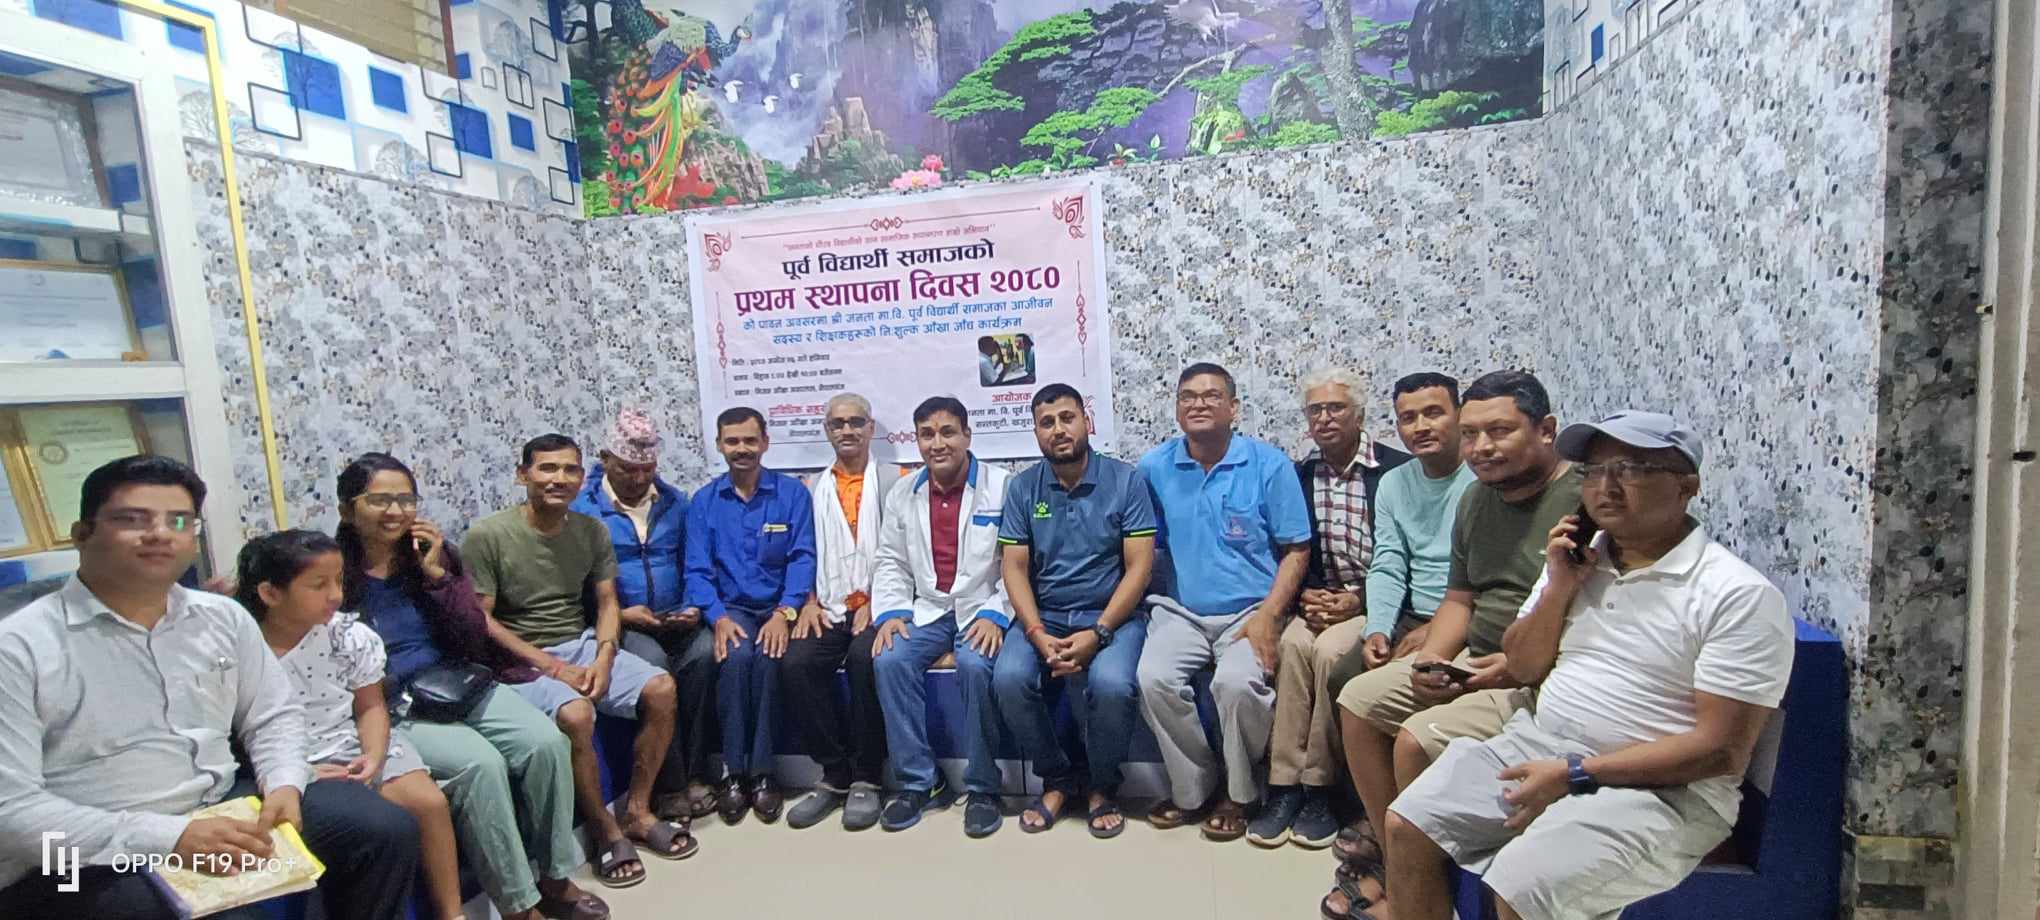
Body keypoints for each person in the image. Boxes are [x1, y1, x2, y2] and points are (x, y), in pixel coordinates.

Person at [1383, 411, 1792, 920]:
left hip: (1663, 792)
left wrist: (1575, 773)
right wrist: (1558, 587)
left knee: (1522, 884)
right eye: (1594, 471)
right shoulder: (1578, 559)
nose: (1606, 487)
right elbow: (1524, 667)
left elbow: (1721, 751)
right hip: (1538, 743)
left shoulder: (1737, 595)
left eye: (1632, 469)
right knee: (1407, 825)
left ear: (1687, 486)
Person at [0, 456, 414, 920]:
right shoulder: (18, 647)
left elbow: (272, 714)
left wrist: (284, 781)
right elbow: (10, 810)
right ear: (82, 535)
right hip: (70, 845)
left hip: (217, 804)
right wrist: (170, 837)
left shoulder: (222, 618)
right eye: (133, 519)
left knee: (383, 828)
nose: (160, 534)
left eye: (179, 521)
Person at [1325, 370, 1583, 919]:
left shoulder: (1584, 502)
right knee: (1358, 699)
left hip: (1542, 670)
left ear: (1546, 430)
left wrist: (1511, 666)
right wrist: (1432, 657)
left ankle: (1420, 884)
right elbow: (1460, 598)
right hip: (1473, 654)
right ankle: (1397, 865)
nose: (1482, 447)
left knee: (1414, 739)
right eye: (1472, 434)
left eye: (1499, 431)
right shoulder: (1477, 498)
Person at [336, 453, 606, 920]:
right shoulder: (334, 572)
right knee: (481, 766)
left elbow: (471, 631)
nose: (395, 511)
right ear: (347, 509)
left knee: (545, 743)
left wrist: (437, 576)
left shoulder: (429, 555)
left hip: (456, 680)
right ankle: (519, 905)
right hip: (394, 701)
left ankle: (555, 877)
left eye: (405, 499)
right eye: (379, 500)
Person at [465, 435, 694, 889]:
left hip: (582, 644)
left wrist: (605, 656)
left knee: (661, 688)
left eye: (570, 469)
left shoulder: (591, 530)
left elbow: (607, 602)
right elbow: (482, 622)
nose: (560, 479)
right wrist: (553, 669)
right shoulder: (487, 535)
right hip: (519, 660)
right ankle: (605, 831)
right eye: (547, 468)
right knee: (576, 713)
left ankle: (637, 812)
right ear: (523, 475)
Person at [235, 531, 465, 920]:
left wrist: (372, 756)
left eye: (339, 581)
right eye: (318, 585)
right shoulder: (243, 647)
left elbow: (371, 706)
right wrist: (300, 772)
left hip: (352, 740)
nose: (336, 595)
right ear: (270, 593)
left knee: (428, 802)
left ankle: (452, 912)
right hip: (291, 758)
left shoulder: (348, 636)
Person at [1136, 363, 1312, 842]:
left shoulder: (1269, 465)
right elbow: (1144, 546)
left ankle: (1240, 792)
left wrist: (1270, 615)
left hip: (1250, 611)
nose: (1198, 404)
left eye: (1212, 395)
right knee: (1153, 678)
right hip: (1180, 610)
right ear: (1177, 408)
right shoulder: (1153, 468)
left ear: (1233, 408)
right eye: (1188, 396)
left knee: (1236, 684)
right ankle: (1193, 788)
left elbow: (1297, 549)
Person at [1321, 372, 1476, 862]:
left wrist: (1437, 630)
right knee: (1345, 676)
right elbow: (1388, 561)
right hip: (1411, 612)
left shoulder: (1482, 478)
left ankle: (1418, 828)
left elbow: (1485, 582)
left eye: (1433, 413)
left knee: (1421, 691)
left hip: (1464, 618)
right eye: (1408, 418)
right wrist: (1379, 628)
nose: (1420, 426)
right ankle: (1375, 812)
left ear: (1459, 416)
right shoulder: (1394, 483)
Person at [1255, 369, 1411, 849]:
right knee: (1292, 646)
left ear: (1359, 414)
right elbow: (1293, 549)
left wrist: (1358, 600)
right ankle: (1284, 786)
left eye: (1336, 408)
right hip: (1319, 600)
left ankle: (1320, 789)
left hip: (1374, 601)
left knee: (1327, 654)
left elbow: (1404, 557)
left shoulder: (1395, 471)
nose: (1324, 418)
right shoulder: (1300, 474)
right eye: (1315, 410)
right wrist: (1307, 595)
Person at [993, 384, 1157, 838]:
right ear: (1036, 432)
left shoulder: (1125, 481)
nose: (1058, 430)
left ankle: (1102, 786)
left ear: (1087, 422)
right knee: (1009, 678)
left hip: (1113, 615)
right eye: (1046, 423)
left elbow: (1140, 568)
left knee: (1112, 685)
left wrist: (1098, 633)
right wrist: (1035, 631)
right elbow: (1014, 568)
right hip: (1045, 615)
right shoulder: (1023, 488)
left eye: (1067, 418)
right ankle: (1059, 780)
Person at [870, 396, 1014, 836]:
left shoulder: (1002, 486)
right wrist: (892, 612)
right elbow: (891, 559)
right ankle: (921, 782)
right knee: (890, 658)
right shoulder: (904, 492)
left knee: (974, 664)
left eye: (948, 432)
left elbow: (1020, 563)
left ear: (967, 435)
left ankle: (984, 788)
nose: (937, 443)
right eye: (927, 434)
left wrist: (997, 613)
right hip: (930, 609)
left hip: (983, 606)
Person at [571, 408, 718, 822]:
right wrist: (622, 614)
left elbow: (694, 562)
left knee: (705, 655)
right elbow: (580, 585)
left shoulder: (675, 502)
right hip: (622, 620)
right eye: (627, 469)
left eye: (647, 469)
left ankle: (697, 774)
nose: (638, 478)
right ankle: (669, 786)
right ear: (605, 459)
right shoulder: (582, 511)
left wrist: (693, 604)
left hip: (677, 616)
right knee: (653, 667)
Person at [682, 407, 817, 824]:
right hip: (732, 610)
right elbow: (697, 571)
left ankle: (763, 773)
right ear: (719, 445)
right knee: (736, 659)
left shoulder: (792, 494)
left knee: (770, 659)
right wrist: (718, 618)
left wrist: (786, 611)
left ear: (765, 443)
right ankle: (733, 773)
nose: (742, 449)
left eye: (749, 440)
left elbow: (802, 557)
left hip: (778, 607)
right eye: (732, 441)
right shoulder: (704, 502)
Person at [784, 393, 896, 830]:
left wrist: (876, 602)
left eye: (855, 422)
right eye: (837, 424)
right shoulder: (811, 489)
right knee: (796, 664)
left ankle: (868, 776)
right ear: (826, 431)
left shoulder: (896, 481)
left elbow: (905, 551)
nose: (847, 430)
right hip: (828, 603)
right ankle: (834, 774)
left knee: (865, 658)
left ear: (871, 428)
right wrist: (809, 602)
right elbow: (803, 552)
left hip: (881, 602)